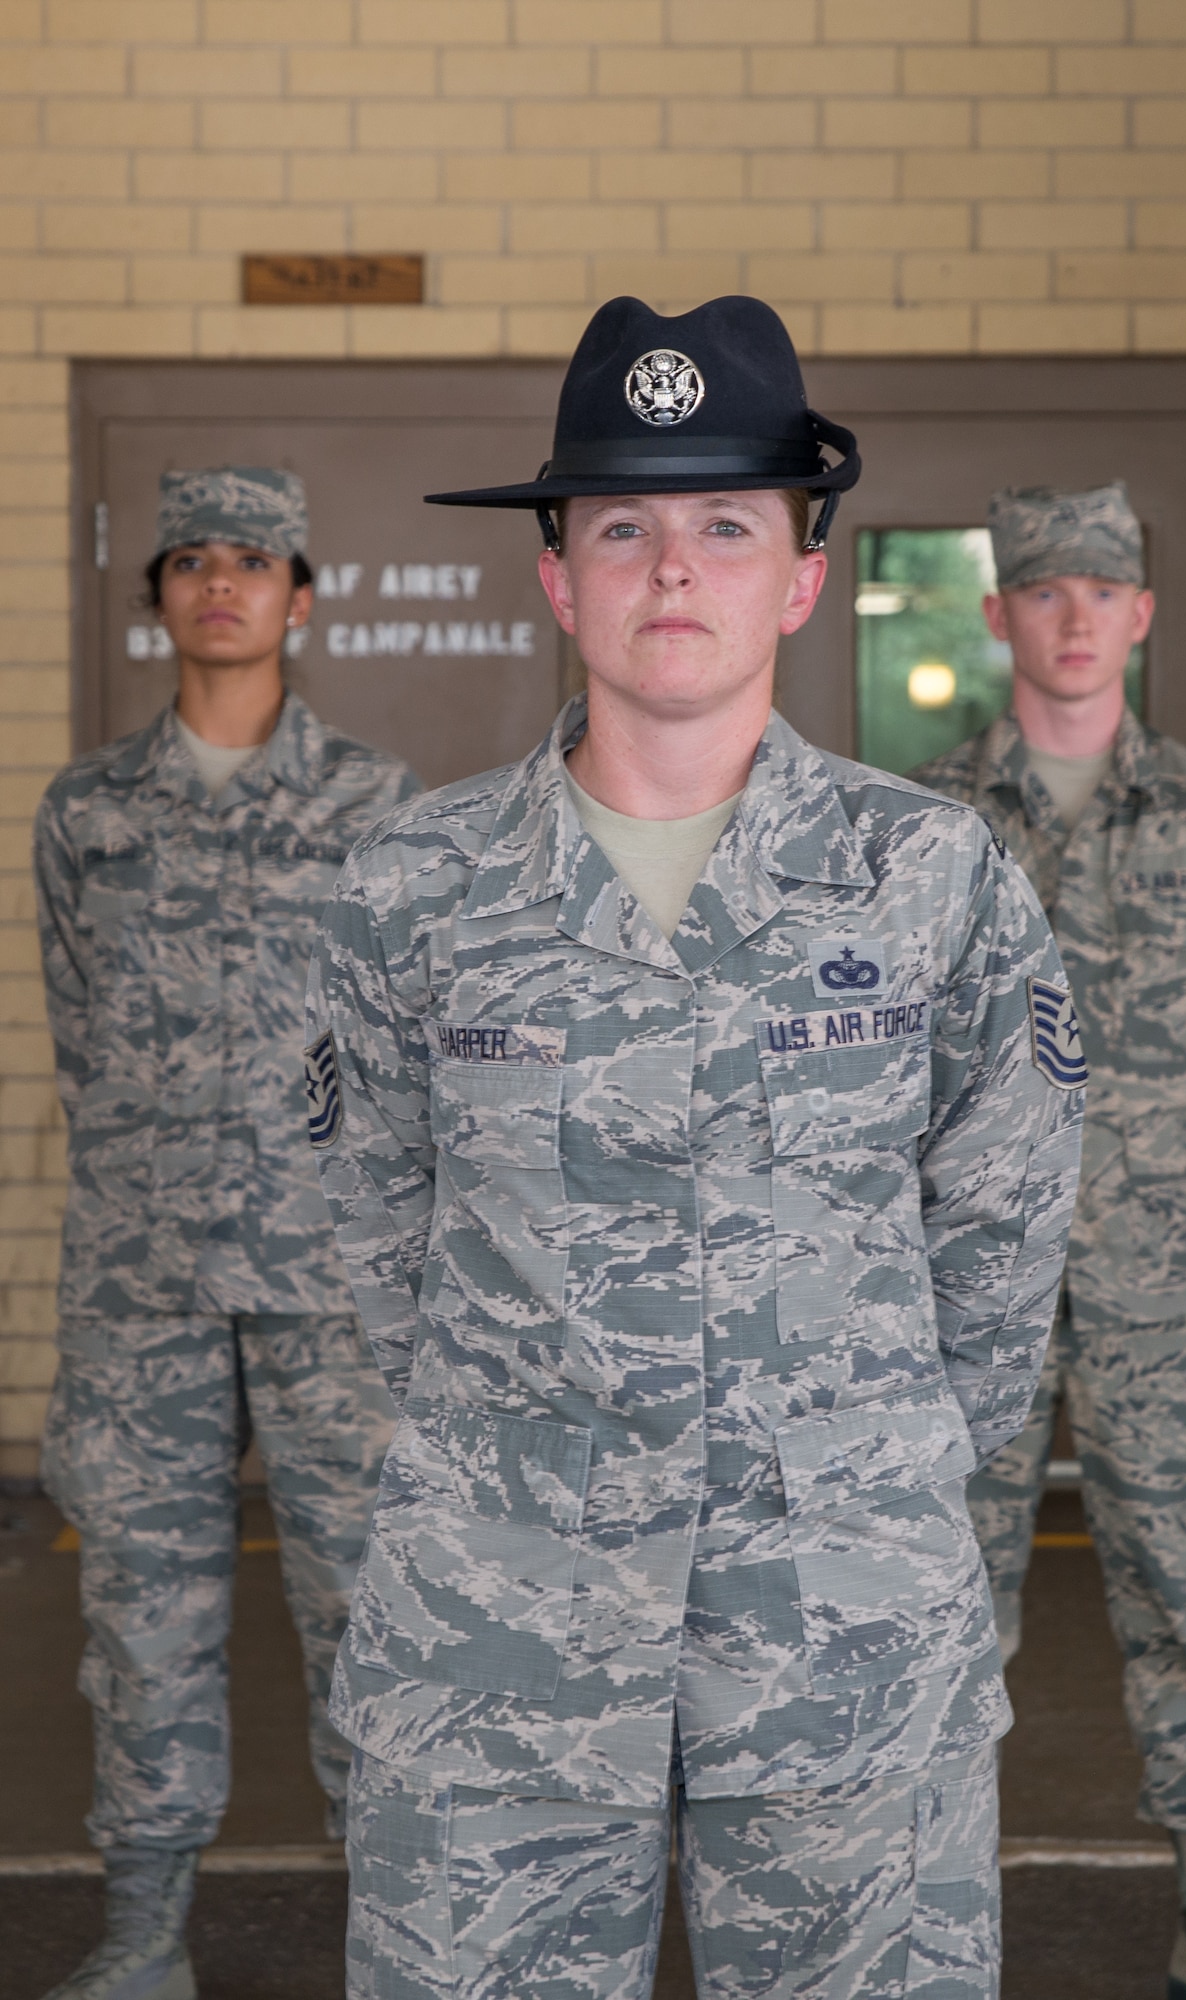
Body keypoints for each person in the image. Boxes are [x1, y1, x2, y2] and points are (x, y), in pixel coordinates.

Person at [305, 296, 1084, 2000]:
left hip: (842, 1641)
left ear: (801, 577)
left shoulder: (933, 881)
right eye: (625, 527)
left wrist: (855, 1470)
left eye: (728, 524)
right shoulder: (409, 893)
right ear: (557, 575)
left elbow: (1003, 1255)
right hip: (497, 1648)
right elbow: (368, 1235)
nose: (675, 570)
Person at [910, 483, 1186, 2000]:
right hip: (973, 1293)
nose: (1075, 615)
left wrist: (1160, 1185)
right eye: (1045, 589)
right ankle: (924, 1940)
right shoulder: (933, 825)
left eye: (1104, 589)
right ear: (1000, 615)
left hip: (1165, 1300)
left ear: (1142, 615)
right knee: (945, 1618)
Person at [34, 467, 420, 2000]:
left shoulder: (376, 806)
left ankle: (397, 1933)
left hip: (329, 1283)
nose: (220, 584)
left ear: (300, 595)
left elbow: (402, 1042)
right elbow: (83, 1036)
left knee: (370, 1609)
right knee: (140, 1609)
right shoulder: (89, 814)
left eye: (253, 560)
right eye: (189, 559)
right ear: (159, 602)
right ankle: (143, 1936)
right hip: (143, 1286)